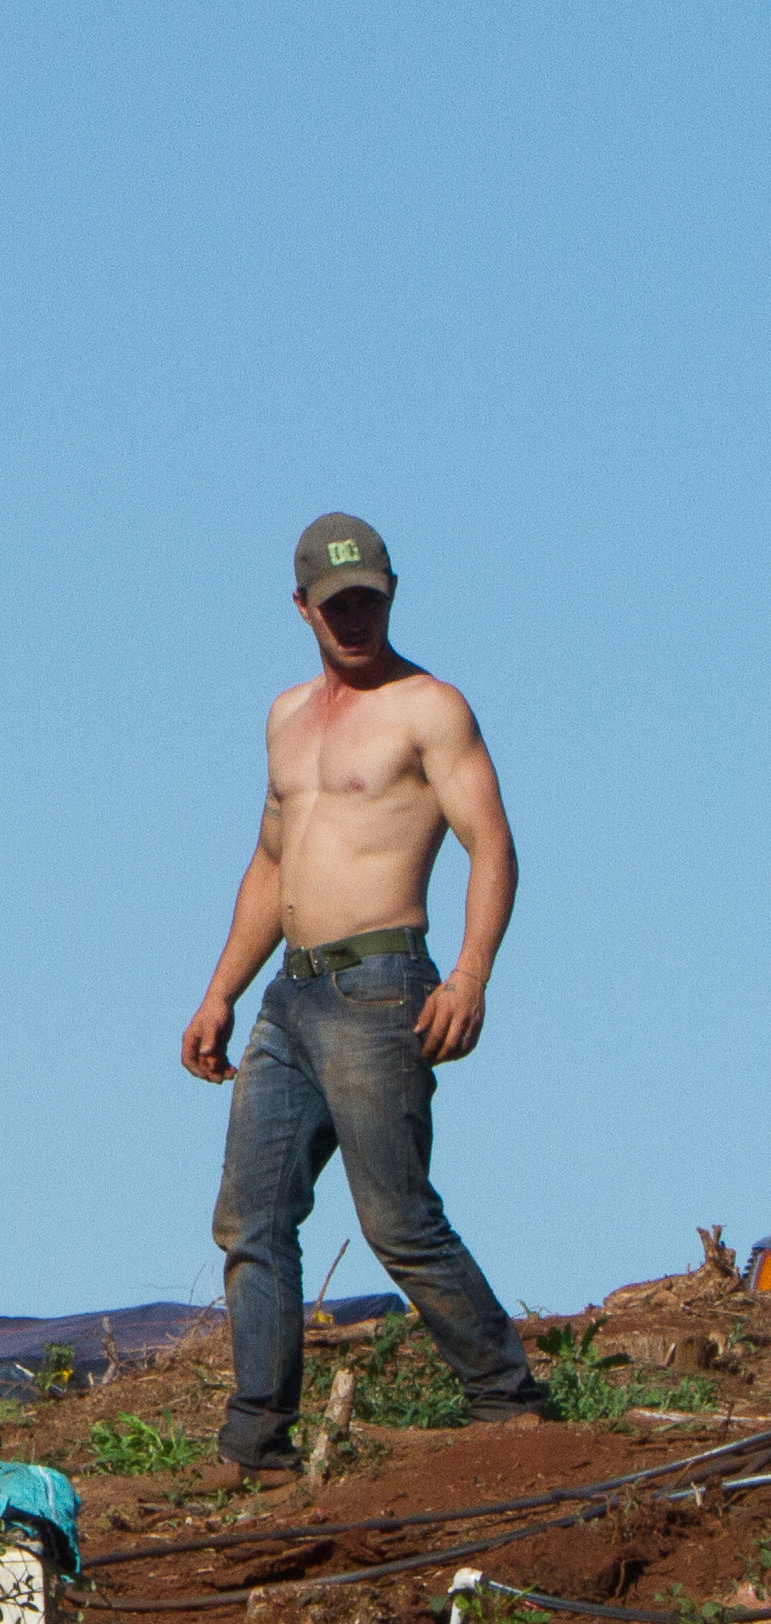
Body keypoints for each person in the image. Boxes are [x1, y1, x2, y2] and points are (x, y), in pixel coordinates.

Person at [179, 513, 549, 1471]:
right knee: (250, 1218)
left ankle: (507, 1400)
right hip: (290, 998)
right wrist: (221, 991)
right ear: (300, 607)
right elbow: (272, 863)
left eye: (369, 601)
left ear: (390, 595)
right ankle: (256, 1438)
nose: (355, 619)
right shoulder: (286, 717)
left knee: (395, 1218)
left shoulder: (430, 707)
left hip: (384, 985)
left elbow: (494, 846)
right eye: (335, 604)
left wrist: (470, 974)